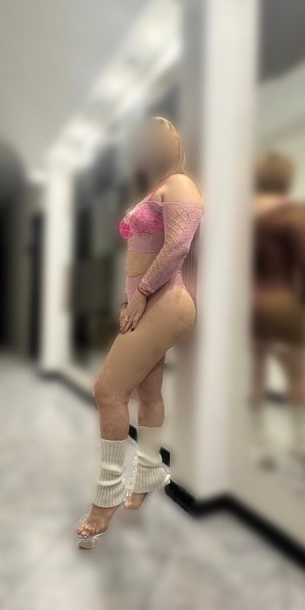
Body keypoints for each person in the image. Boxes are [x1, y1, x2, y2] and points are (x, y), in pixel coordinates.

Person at [76, 116, 203, 548]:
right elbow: (139, 255)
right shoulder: (155, 189)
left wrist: (143, 294)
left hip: (166, 299)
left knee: (107, 390)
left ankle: (107, 494)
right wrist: (128, 299)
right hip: (147, 300)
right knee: (148, 393)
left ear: (174, 144)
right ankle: (148, 471)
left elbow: (178, 244)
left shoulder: (180, 183)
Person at [250, 151, 305, 474]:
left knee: (256, 374)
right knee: (298, 374)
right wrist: (303, 302)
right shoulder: (291, 213)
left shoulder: (242, 216)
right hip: (282, 302)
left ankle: (260, 444)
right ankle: (301, 444)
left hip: (250, 305)